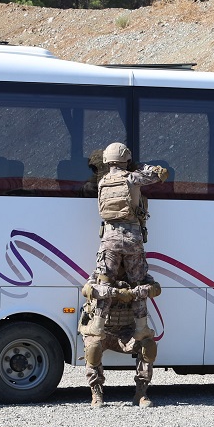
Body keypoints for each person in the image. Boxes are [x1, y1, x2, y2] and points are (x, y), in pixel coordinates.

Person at [93, 142, 168, 313]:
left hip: (109, 239)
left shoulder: (102, 182)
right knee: (138, 287)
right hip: (132, 238)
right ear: (126, 159)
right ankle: (141, 328)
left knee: (103, 284)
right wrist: (141, 166)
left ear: (107, 160)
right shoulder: (132, 178)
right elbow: (160, 174)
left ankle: (97, 326)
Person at [78, 272, 162, 407]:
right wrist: (115, 292)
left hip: (127, 332)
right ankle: (96, 393)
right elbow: (87, 290)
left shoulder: (137, 275)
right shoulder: (101, 274)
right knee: (93, 349)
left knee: (148, 346)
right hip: (102, 331)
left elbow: (156, 289)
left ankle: (141, 394)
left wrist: (134, 292)